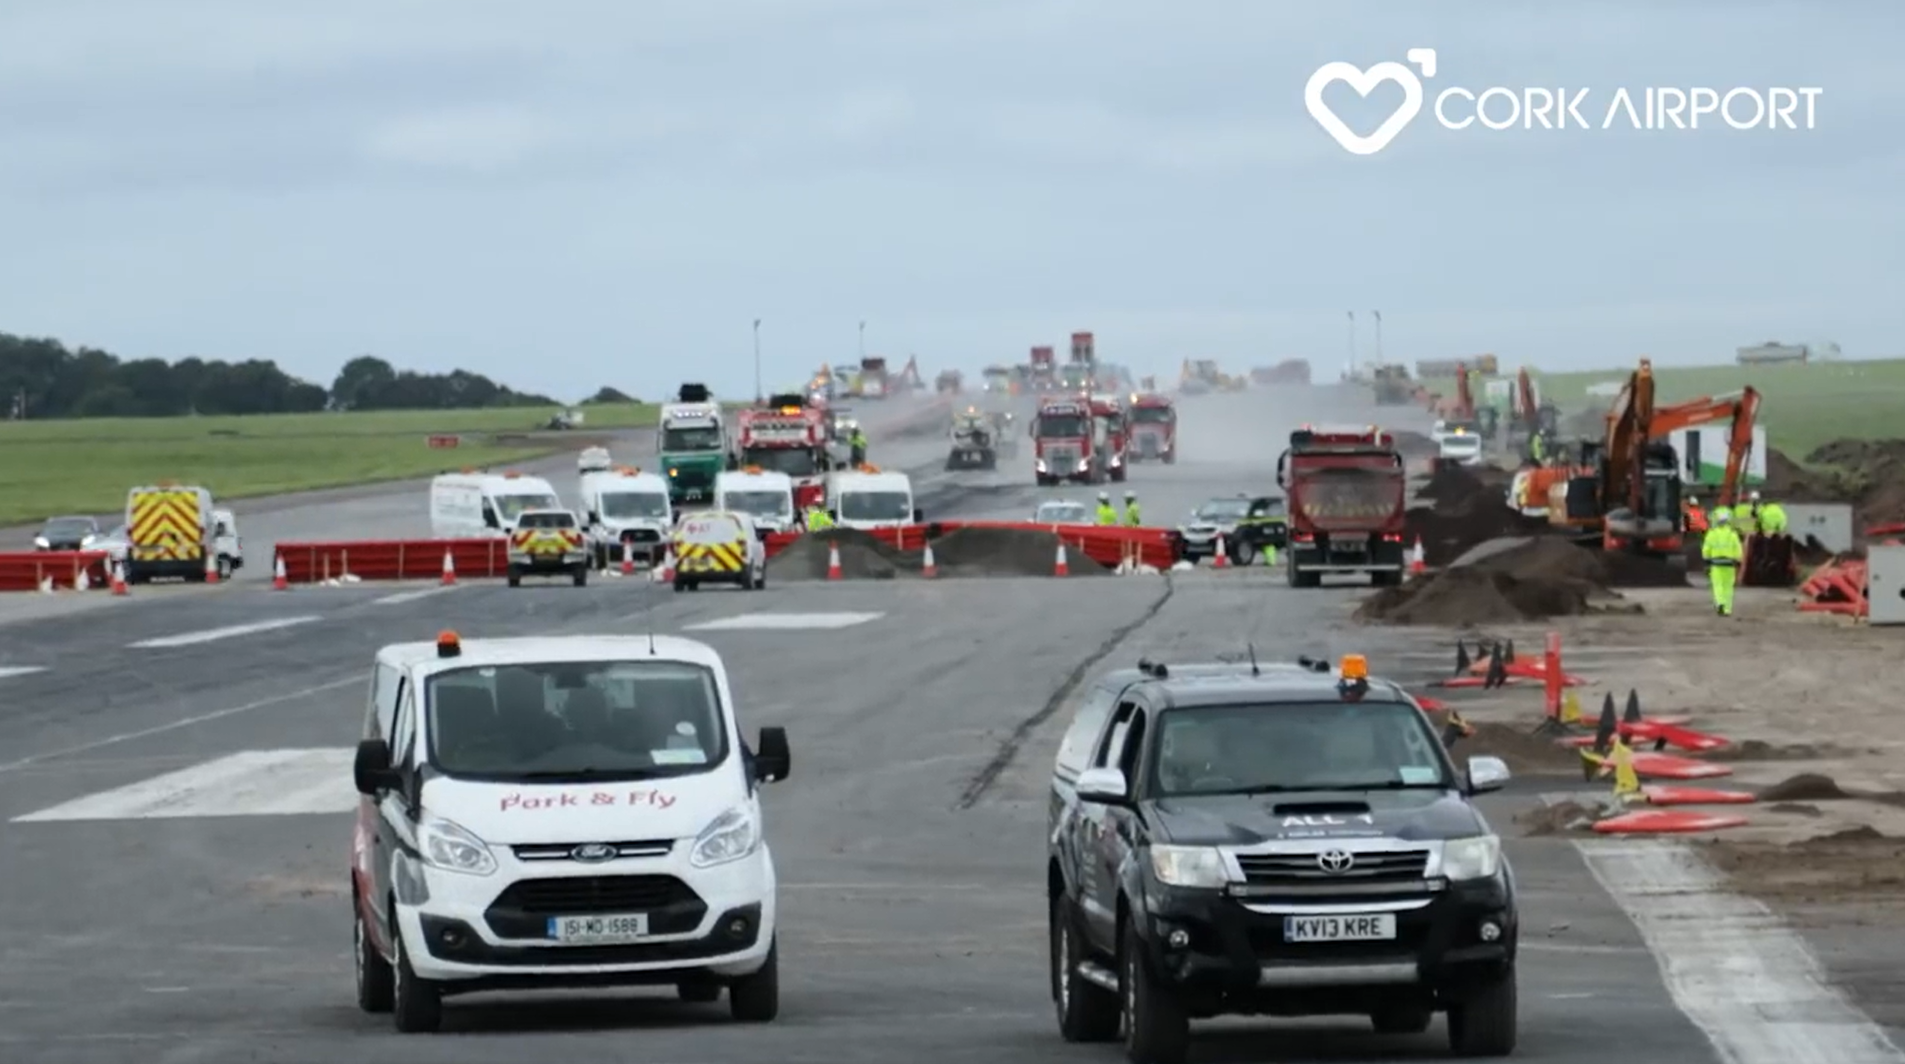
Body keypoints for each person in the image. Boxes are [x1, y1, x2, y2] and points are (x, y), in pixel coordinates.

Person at [1701, 509, 1744, 617]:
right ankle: (1727, 609)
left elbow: (1706, 548)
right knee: (1728, 587)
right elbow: (1738, 548)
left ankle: (1720, 603)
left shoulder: (1712, 534)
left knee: (1717, 585)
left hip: (1715, 563)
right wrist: (1739, 560)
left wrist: (1706, 559)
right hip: (1729, 564)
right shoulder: (1732, 534)